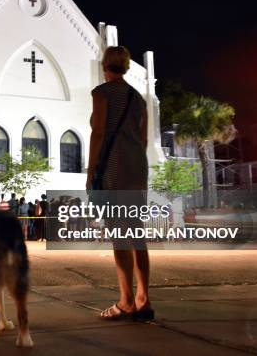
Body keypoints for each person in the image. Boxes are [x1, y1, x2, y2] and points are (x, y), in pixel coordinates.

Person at [86, 46, 152, 321]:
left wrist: (91, 171)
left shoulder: (102, 93)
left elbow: (99, 132)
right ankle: (143, 300)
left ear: (105, 65)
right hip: (137, 167)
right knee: (136, 234)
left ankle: (125, 301)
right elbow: (143, 139)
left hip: (114, 169)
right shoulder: (139, 99)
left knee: (118, 236)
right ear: (125, 66)